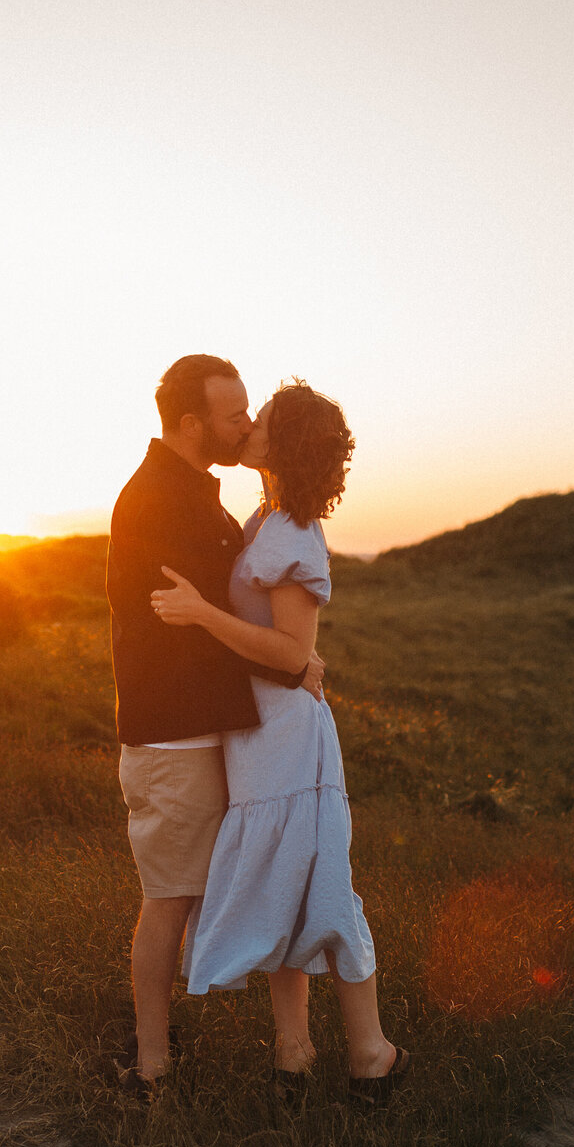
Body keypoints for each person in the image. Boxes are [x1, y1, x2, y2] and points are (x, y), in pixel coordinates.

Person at [151, 382, 410, 1102]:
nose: (250, 422)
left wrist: (202, 615)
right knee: (281, 884)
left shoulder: (292, 533)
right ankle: (293, 1053)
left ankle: (370, 1053)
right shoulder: (264, 516)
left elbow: (293, 653)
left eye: (262, 416)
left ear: (282, 441)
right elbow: (289, 652)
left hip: (290, 739)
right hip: (258, 733)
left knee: (321, 889)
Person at [106, 355, 324, 1098]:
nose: (247, 425)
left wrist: (298, 661)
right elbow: (196, 629)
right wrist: (295, 665)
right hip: (176, 740)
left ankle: (290, 1051)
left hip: (221, 733)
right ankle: (151, 1066)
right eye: (235, 415)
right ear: (192, 422)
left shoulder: (201, 495)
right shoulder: (158, 501)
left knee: (255, 881)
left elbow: (238, 616)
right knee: (170, 897)